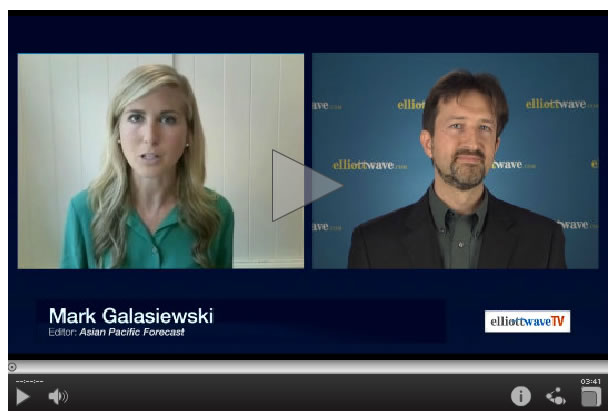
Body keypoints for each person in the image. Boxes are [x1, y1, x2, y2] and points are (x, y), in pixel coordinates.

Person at [348, 70, 566, 269]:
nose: (472, 142)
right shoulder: (372, 244)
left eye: (484, 127)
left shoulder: (544, 240)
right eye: (456, 126)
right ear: (428, 143)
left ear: (496, 145)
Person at [61, 64, 234, 268]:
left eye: (168, 119)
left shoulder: (217, 214)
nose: (150, 137)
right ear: (117, 131)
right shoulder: (84, 211)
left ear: (189, 133)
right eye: (136, 117)